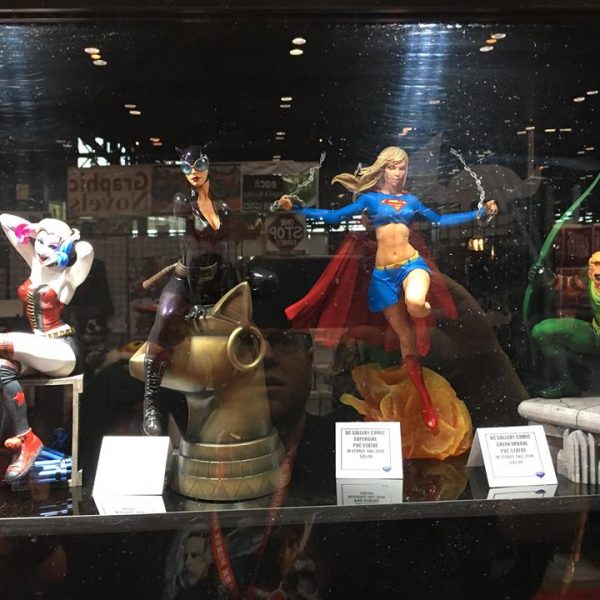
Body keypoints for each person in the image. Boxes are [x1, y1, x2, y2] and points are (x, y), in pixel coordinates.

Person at [276, 146, 497, 430]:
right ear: (382, 170)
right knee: (404, 336)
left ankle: (422, 318)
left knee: (415, 303)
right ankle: (426, 403)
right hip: (382, 275)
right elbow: (334, 216)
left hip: (411, 264)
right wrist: (297, 209)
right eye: (393, 167)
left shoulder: (411, 200)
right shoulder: (370, 199)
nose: (398, 172)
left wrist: (478, 213)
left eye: (402, 167)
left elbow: (440, 221)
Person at [142, 145, 236, 436]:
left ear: (209, 166)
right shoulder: (182, 202)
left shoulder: (224, 206)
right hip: (187, 279)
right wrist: (195, 301)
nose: (193, 172)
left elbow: (227, 251)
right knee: (166, 316)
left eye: (199, 165)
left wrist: (232, 286)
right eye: (186, 167)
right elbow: (194, 251)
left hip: (217, 279)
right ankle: (151, 402)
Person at [0, 214, 94, 482]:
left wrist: (67, 244)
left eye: (51, 246)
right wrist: (35, 229)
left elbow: (86, 251)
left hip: (62, 351)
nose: (42, 250)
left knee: (3, 342)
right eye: (40, 242)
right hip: (39, 349)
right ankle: (22, 439)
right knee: (1, 368)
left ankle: (25, 443)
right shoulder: (34, 263)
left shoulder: (68, 278)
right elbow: (5, 220)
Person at [529, 251, 600, 398]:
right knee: (542, 331)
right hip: (596, 334)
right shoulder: (590, 274)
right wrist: (548, 277)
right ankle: (567, 383)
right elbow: (569, 286)